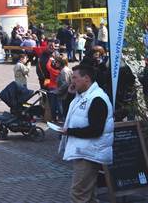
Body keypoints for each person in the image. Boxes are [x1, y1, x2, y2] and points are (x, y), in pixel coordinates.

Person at [59, 64, 114, 203]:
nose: (72, 81)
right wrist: (72, 93)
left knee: (79, 194)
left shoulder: (97, 99)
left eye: (75, 78)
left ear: (87, 78)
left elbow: (96, 130)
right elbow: (71, 112)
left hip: (89, 153)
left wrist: (69, 131)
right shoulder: (84, 96)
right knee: (88, 195)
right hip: (85, 151)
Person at [56, 56, 74, 121]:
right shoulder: (65, 70)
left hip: (65, 95)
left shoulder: (64, 71)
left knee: (64, 108)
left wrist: (57, 91)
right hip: (66, 94)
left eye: (57, 62)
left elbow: (65, 84)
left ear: (61, 63)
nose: (55, 63)